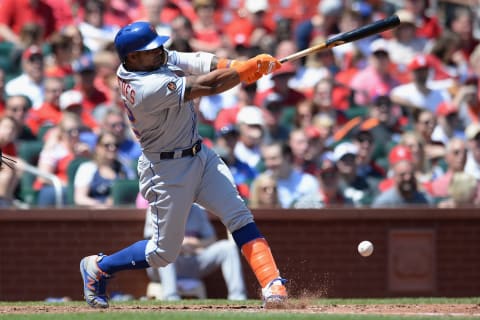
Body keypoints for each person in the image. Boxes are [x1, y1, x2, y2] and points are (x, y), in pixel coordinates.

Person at [80, 21, 287, 309]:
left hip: (200, 156)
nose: (159, 51)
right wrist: (244, 72)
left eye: (156, 46)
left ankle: (272, 284)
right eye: (149, 50)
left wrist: (240, 64)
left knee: (238, 214)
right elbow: (207, 84)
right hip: (166, 170)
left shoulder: (152, 61)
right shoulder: (144, 87)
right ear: (132, 58)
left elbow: (199, 61)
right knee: (163, 253)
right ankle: (100, 266)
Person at [144, 203, 247, 301]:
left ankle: (238, 296)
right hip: (163, 266)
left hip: (193, 259)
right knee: (166, 251)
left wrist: (191, 243)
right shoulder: (156, 208)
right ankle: (170, 297)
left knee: (227, 247)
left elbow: (211, 239)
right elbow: (153, 243)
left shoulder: (197, 210)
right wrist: (178, 246)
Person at [73, 131, 135, 208]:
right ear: (97, 147)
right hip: (96, 215)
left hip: (122, 213)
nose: (112, 148)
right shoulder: (87, 168)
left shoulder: (125, 169)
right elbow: (80, 199)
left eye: (116, 145)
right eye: (107, 145)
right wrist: (102, 205)